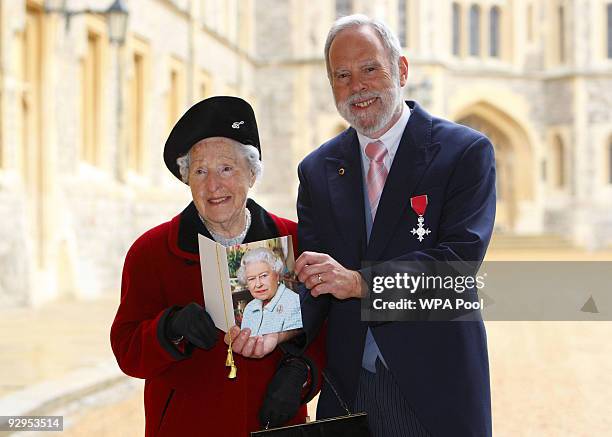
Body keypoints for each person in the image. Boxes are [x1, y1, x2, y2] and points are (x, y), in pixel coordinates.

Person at [231, 14, 496, 437]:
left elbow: (456, 268)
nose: (357, 85)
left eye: (370, 68)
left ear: (401, 70)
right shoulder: (317, 169)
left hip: (437, 388)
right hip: (349, 393)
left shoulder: (465, 152)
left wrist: (359, 283)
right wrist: (274, 329)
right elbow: (316, 283)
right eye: (342, 75)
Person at [110, 96, 322, 436]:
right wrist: (170, 328)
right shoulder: (150, 252)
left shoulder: (296, 242)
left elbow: (326, 328)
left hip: (275, 426)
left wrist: (302, 371)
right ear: (187, 179)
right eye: (200, 171)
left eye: (226, 168)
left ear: (252, 174)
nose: (213, 185)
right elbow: (127, 351)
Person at [238, 247, 302, 336]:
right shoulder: (249, 308)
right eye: (251, 279)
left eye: (264, 276)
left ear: (277, 275)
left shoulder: (293, 302)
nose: (258, 284)